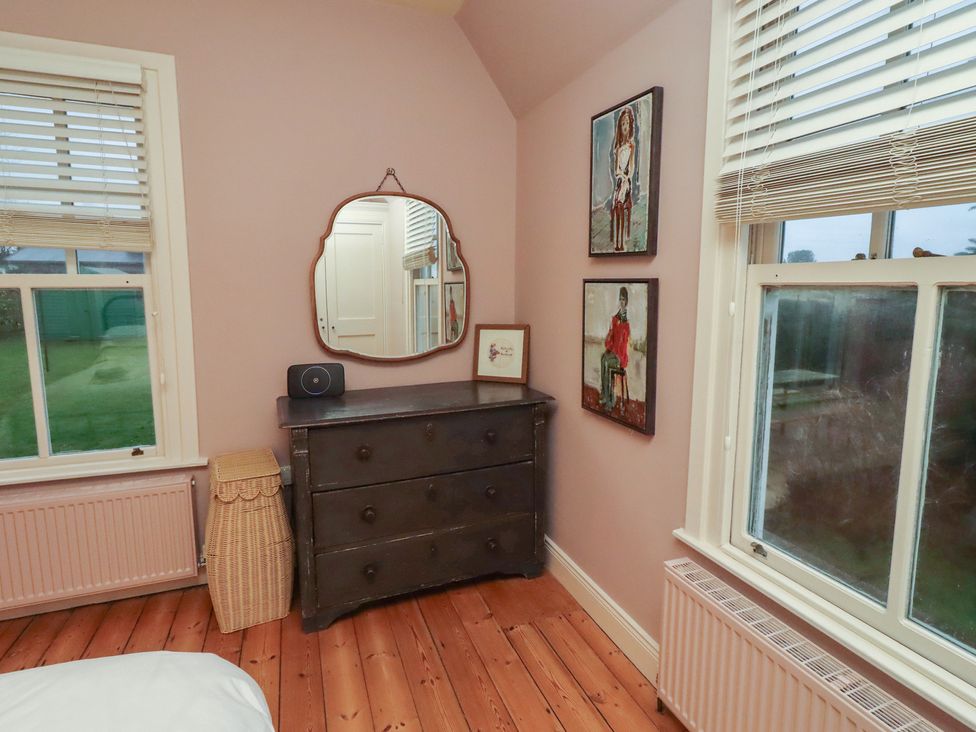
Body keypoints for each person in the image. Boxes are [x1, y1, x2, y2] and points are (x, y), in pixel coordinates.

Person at [610, 107, 636, 252]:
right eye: (622, 124)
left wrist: (626, 177)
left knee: (620, 201)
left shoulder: (631, 146)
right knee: (616, 204)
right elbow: (616, 170)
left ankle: (621, 242)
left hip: (627, 182)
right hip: (620, 180)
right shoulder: (619, 149)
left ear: (630, 125)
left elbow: (631, 167)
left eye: (627, 123)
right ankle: (618, 242)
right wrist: (620, 175)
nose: (625, 127)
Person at [600, 287, 630, 411]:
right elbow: (610, 337)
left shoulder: (626, 321)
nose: (621, 301)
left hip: (621, 356)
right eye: (620, 299)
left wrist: (620, 323)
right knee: (603, 358)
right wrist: (609, 347)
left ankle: (611, 401)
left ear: (626, 301)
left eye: (623, 299)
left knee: (607, 362)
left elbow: (624, 341)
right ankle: (605, 395)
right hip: (613, 353)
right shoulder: (615, 318)